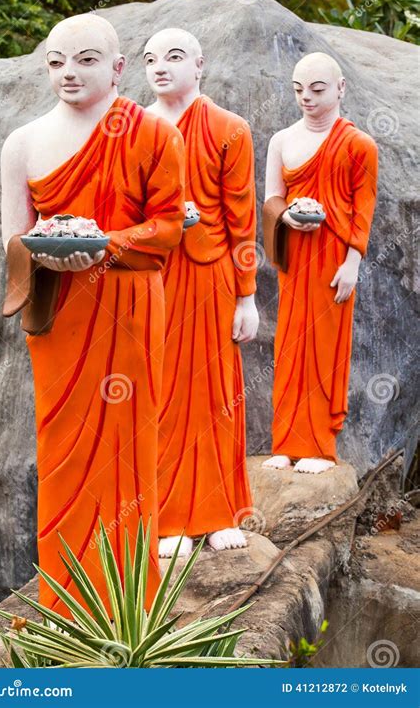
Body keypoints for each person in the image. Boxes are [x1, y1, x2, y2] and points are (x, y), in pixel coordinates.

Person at [1, 13, 185, 615]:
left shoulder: (155, 135)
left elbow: (165, 230)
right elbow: (14, 240)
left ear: (117, 67)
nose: (69, 73)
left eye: (84, 59)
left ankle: (128, 603)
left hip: (127, 306)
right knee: (63, 451)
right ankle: (65, 606)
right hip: (58, 313)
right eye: (56, 62)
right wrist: (49, 251)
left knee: (130, 446)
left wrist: (106, 245)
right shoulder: (22, 143)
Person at [143, 28, 259, 557]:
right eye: (149, 59)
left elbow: (242, 218)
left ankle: (217, 513)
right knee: (158, 390)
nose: (160, 67)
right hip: (150, 275)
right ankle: (164, 517)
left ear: (200, 63)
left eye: (172, 57)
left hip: (210, 272)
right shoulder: (133, 127)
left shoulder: (229, 128)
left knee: (215, 391)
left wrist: (247, 296)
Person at [262, 52, 378, 474]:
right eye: (298, 89)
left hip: (333, 261)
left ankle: (318, 445)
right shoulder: (282, 140)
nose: (306, 98)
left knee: (325, 346)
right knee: (290, 346)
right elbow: (272, 198)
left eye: (316, 88)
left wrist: (353, 263)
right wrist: (287, 215)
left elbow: (363, 207)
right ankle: (286, 440)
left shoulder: (358, 144)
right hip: (296, 257)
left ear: (340, 88)